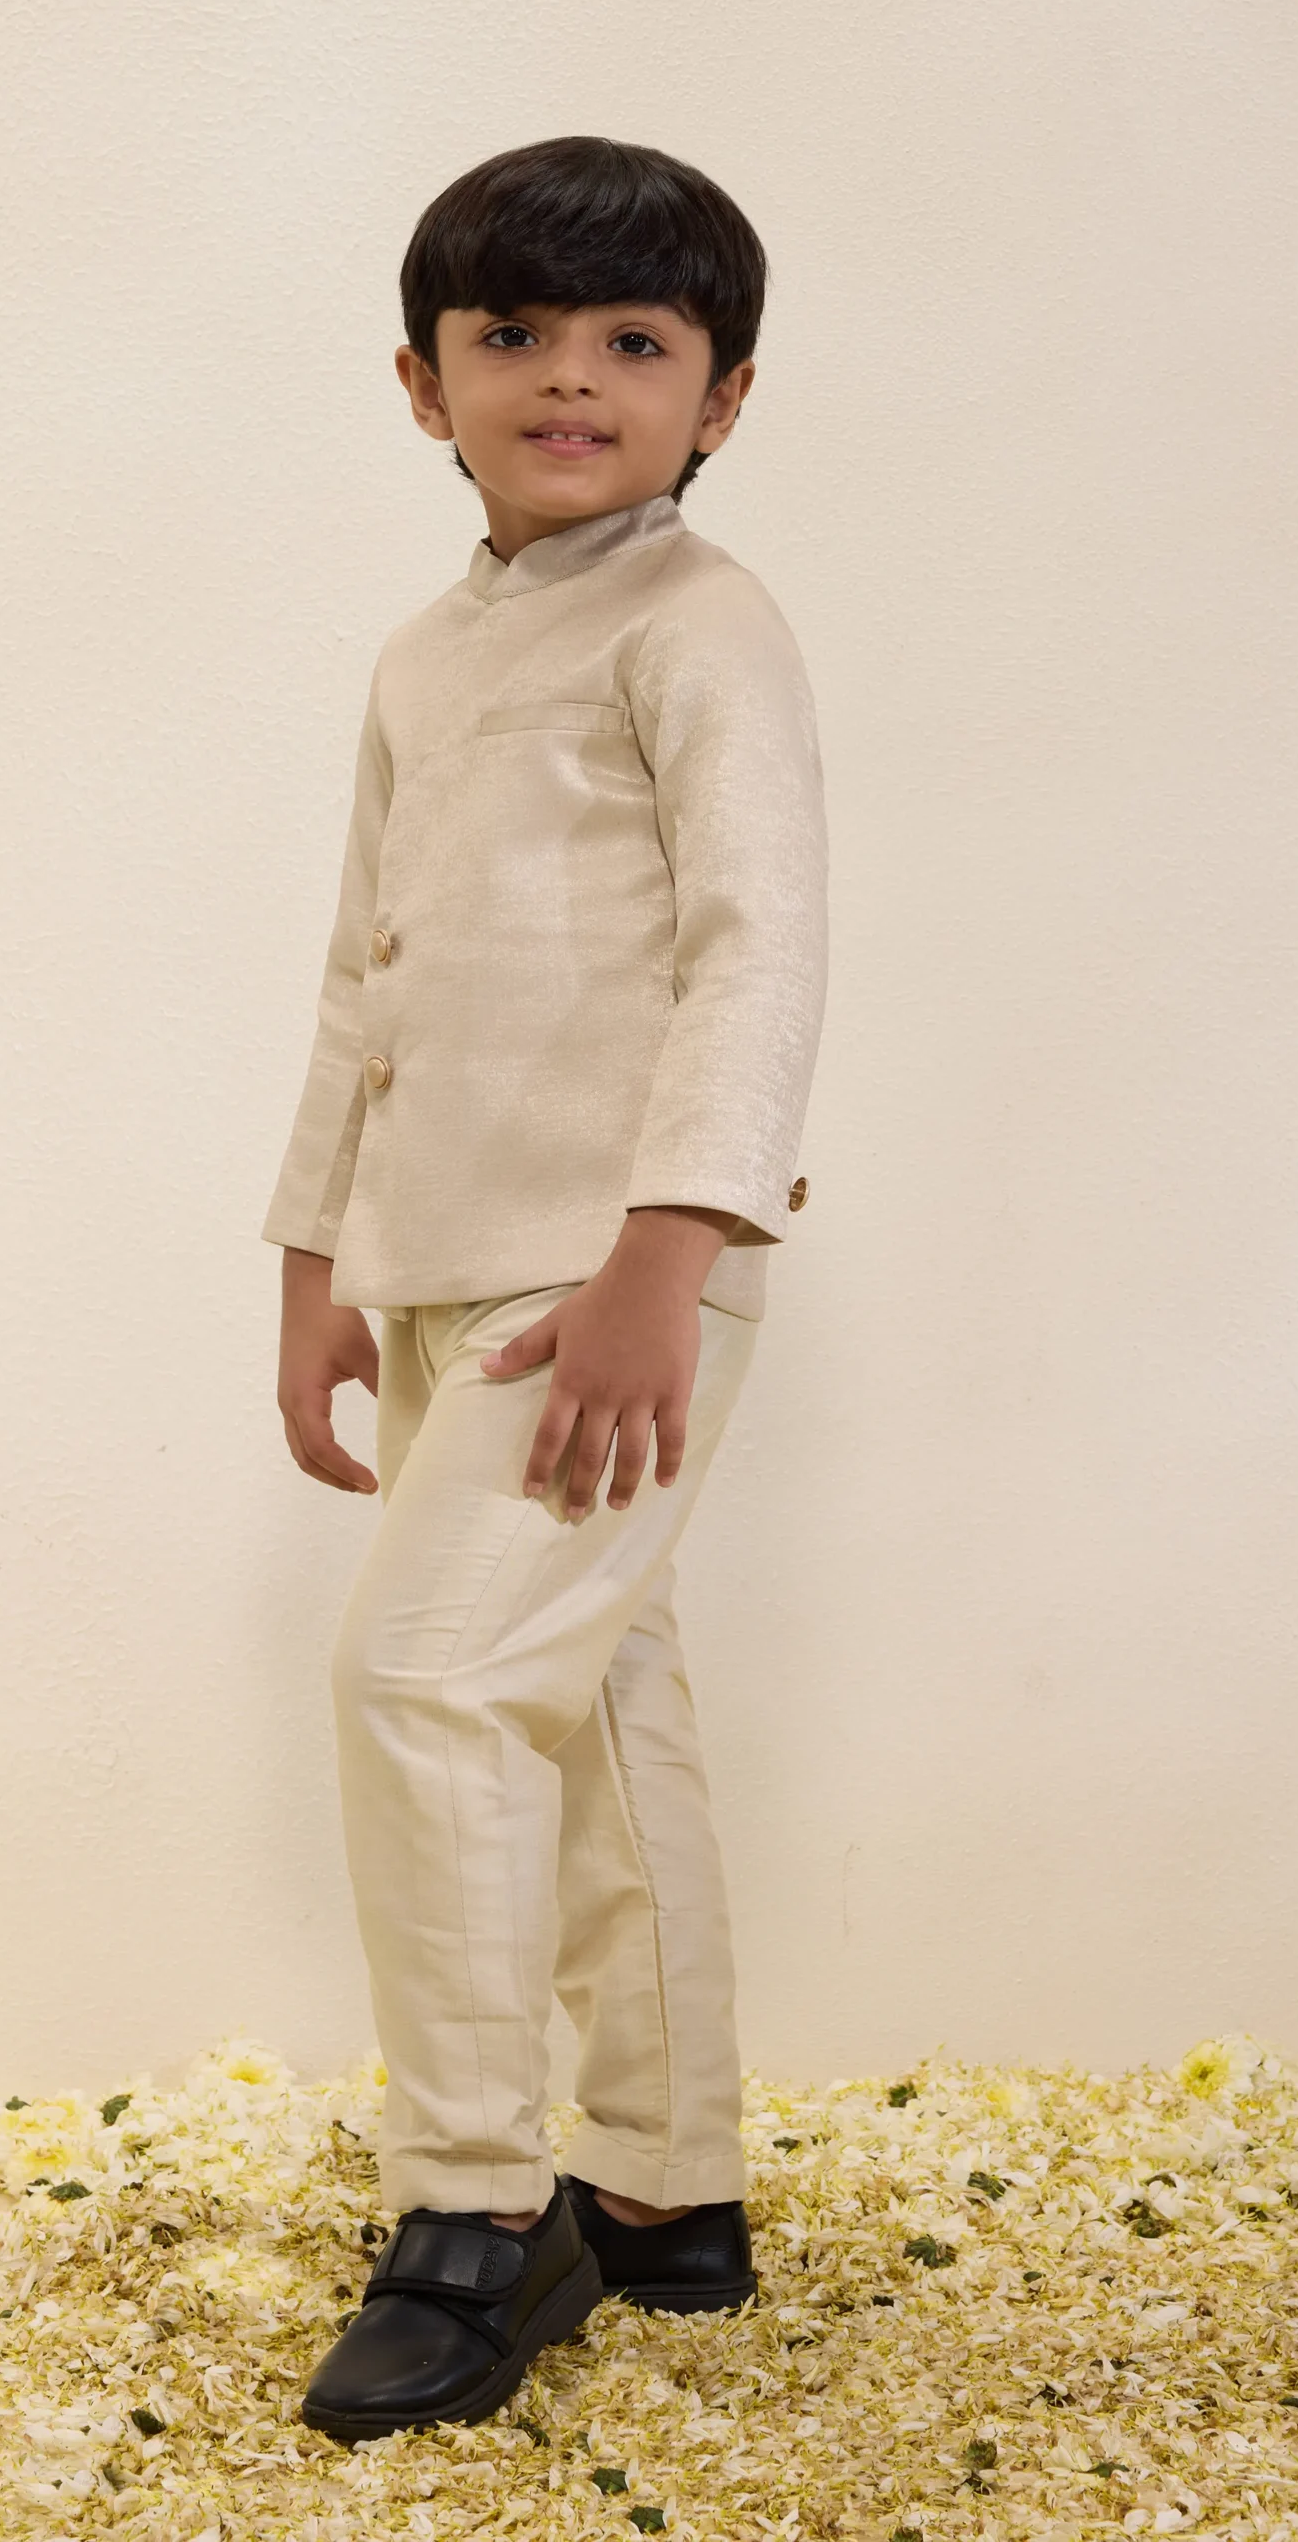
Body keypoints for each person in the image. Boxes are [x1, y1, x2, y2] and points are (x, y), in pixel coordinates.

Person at [261, 133, 829, 2441]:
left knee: (424, 1680)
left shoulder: (704, 623)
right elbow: (363, 971)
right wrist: (315, 1254)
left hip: (606, 1280)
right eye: (511, 334)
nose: (568, 377)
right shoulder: (427, 653)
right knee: (591, 1703)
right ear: (423, 380)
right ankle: (669, 2181)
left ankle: (477, 2204)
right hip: (440, 1258)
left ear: (724, 394)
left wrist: (665, 1251)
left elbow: (759, 948)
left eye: (632, 341)